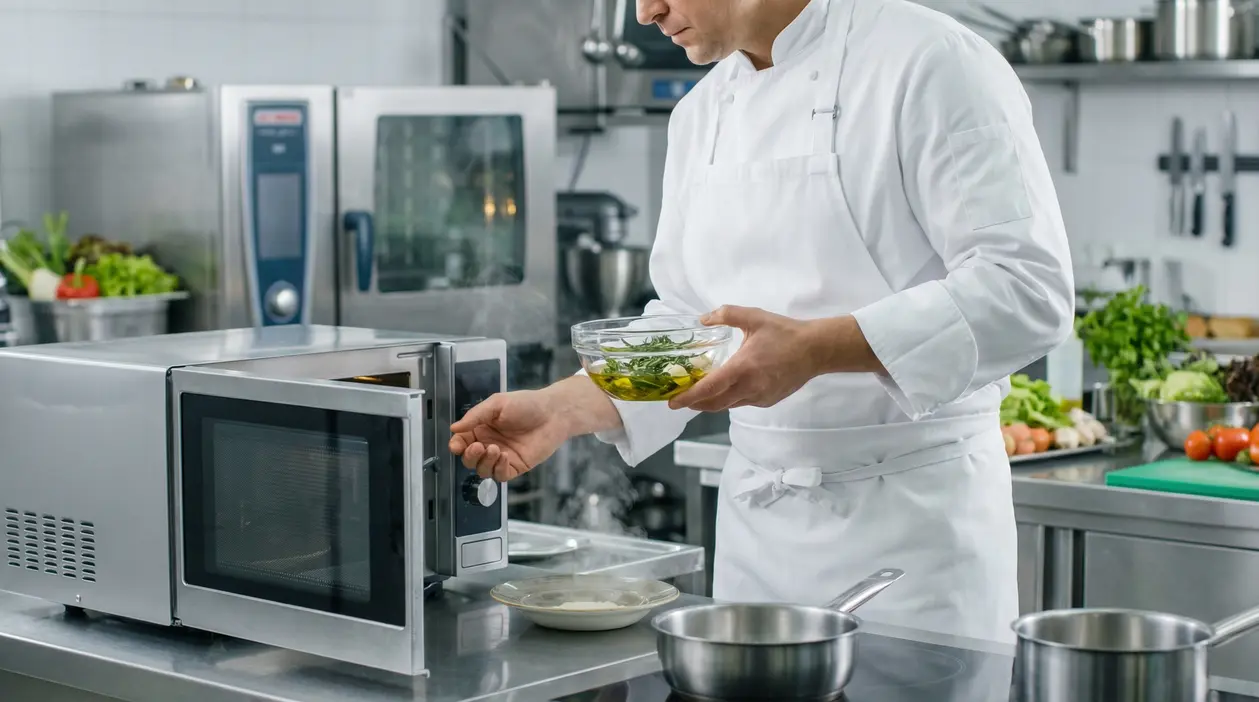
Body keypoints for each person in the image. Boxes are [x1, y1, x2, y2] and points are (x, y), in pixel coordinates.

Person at [450, 0, 1073, 644]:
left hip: (914, 541)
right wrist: (563, 409)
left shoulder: (933, 62)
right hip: (758, 543)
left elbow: (1026, 289)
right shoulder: (701, 112)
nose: (645, 13)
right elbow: (694, 329)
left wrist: (814, 351)